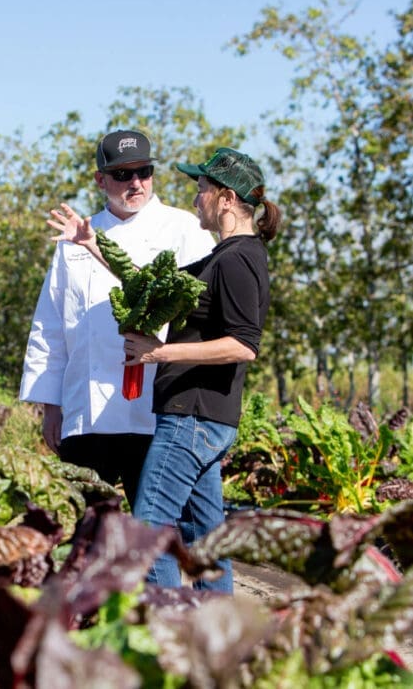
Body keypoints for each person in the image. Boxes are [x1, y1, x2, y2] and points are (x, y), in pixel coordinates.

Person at [48, 147, 282, 593]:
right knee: (203, 538)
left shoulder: (237, 259)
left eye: (202, 189)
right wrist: (94, 244)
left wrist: (158, 353)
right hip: (200, 417)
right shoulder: (224, 255)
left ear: (226, 198)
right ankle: (214, 644)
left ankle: (170, 630)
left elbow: (243, 345)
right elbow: (148, 283)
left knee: (149, 532)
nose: (196, 198)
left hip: (192, 418)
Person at [19, 130, 215, 509]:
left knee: (156, 539)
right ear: (101, 179)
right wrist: (51, 406)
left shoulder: (185, 229)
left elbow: (202, 318)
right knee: (86, 532)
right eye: (123, 175)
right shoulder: (75, 236)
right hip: (86, 414)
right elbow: (51, 325)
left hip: (158, 412)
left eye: (143, 171)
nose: (136, 183)